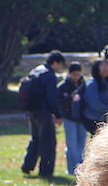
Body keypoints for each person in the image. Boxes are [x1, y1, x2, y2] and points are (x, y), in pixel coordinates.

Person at [21, 50, 66, 178]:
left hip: (31, 110)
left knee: (35, 138)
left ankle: (27, 165)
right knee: (48, 141)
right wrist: (57, 114)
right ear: (55, 63)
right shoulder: (50, 76)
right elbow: (51, 98)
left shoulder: (36, 70)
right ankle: (46, 171)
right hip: (43, 111)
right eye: (60, 64)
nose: (61, 68)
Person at [57, 62, 86, 175]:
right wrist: (70, 98)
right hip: (69, 117)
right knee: (71, 144)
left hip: (81, 118)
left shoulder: (83, 85)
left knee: (81, 145)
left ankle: (80, 168)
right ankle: (72, 170)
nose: (76, 77)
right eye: (74, 74)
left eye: (78, 74)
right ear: (69, 74)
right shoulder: (62, 86)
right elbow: (59, 103)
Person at [82, 59, 108, 136]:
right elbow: (94, 104)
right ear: (96, 68)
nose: (105, 68)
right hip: (93, 119)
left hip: (102, 118)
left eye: (107, 66)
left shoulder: (106, 83)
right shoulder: (92, 83)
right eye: (102, 66)